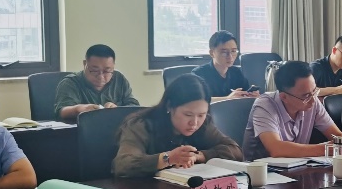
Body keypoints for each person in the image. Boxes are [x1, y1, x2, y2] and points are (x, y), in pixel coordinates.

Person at [112, 74, 242, 177]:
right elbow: (123, 164)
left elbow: (235, 150)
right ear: (169, 106)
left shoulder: (204, 125)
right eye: (188, 114)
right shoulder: (140, 125)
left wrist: (199, 156)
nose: (194, 122)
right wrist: (168, 158)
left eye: (201, 115)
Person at [242, 60, 342, 160]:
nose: (313, 100)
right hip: (262, 171)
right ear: (284, 97)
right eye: (306, 96)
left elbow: (337, 136)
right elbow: (276, 149)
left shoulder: (312, 101)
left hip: (297, 167)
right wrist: (324, 149)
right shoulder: (265, 105)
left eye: (314, 91)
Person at [52, 44, 141, 120]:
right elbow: (61, 112)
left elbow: (134, 106)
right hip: (82, 131)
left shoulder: (119, 79)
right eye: (94, 71)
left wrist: (117, 110)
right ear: (85, 64)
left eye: (107, 71)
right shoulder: (70, 82)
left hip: (115, 130)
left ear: (113, 66)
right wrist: (79, 109)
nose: (101, 77)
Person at [192, 31, 259, 102]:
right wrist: (227, 98)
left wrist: (251, 96)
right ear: (212, 53)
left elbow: (245, 93)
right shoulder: (199, 74)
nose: (230, 57)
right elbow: (196, 101)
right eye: (224, 52)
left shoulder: (236, 72)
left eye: (233, 51)